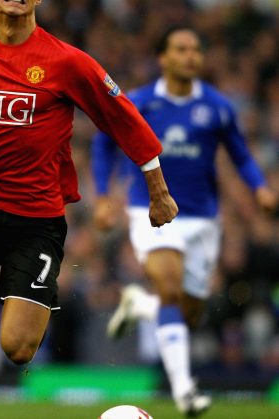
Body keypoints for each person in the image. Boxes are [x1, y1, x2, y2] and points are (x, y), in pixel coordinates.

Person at [0, 1, 178, 418]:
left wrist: (158, 188)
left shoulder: (66, 61)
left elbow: (122, 116)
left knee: (18, 348)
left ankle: (36, 293)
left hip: (35, 220)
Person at [92, 26, 278, 417]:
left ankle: (140, 304)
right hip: (151, 209)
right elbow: (104, 142)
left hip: (203, 219)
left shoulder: (218, 106)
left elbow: (240, 154)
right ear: (163, 57)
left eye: (195, 49)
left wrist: (260, 188)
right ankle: (184, 391)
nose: (190, 56)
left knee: (187, 311)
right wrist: (104, 195)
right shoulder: (139, 102)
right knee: (169, 284)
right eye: (180, 49)